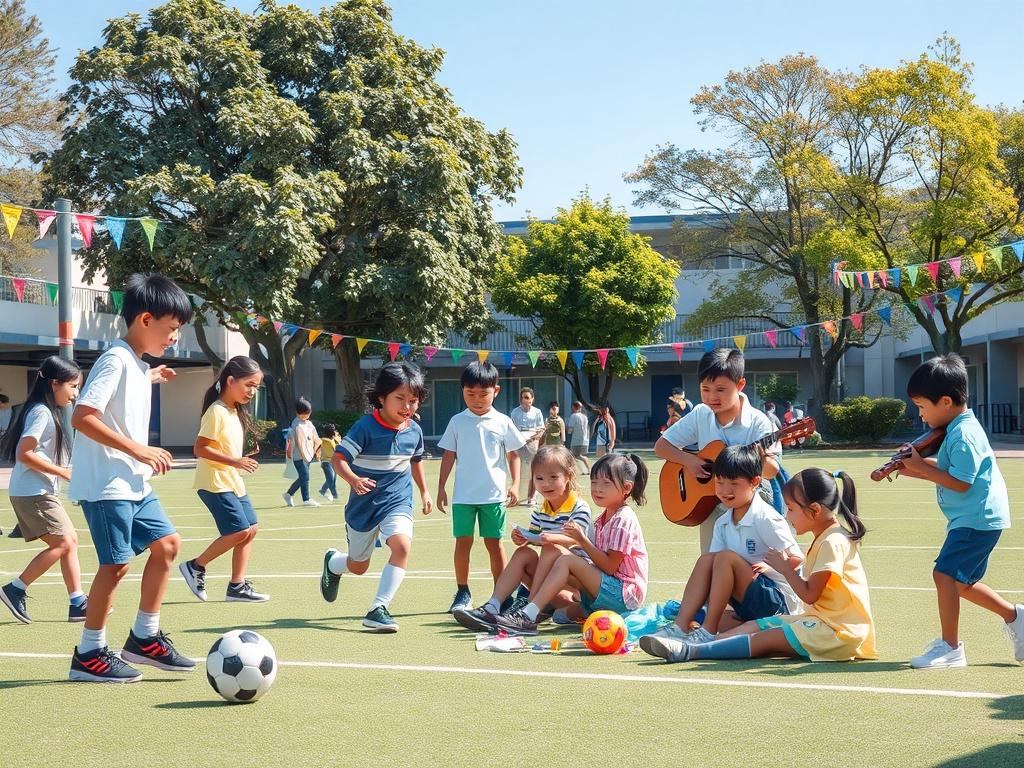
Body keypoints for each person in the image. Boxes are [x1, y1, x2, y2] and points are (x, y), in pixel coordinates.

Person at [67, 273, 196, 683]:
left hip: (133, 483)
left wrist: (151, 376)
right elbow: (83, 416)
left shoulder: (135, 363)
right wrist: (139, 449)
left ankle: (144, 637)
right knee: (116, 565)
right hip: (108, 484)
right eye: (172, 328)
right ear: (145, 319)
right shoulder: (115, 359)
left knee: (167, 545)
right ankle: (89, 654)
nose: (175, 337)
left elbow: (125, 389)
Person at [641, 468, 876, 663]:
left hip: (837, 633)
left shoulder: (832, 541)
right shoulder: (826, 537)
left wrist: (784, 568)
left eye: (791, 509)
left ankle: (690, 651)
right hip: (819, 622)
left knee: (762, 640)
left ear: (814, 510)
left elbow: (810, 594)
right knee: (756, 625)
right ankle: (702, 638)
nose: (787, 516)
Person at [899, 353, 1024, 668]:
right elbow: (947, 470)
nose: (920, 415)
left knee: (943, 574)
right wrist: (913, 469)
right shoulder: (957, 428)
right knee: (960, 583)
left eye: (921, 407)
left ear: (944, 402)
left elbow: (961, 482)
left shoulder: (963, 434)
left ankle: (951, 648)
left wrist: (920, 468)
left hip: (976, 518)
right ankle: (1017, 617)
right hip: (976, 517)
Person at [639, 445, 803, 659]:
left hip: (778, 604)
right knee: (707, 560)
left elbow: (797, 559)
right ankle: (680, 626)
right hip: (746, 604)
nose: (725, 490)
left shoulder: (766, 518)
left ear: (755, 482)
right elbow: (712, 571)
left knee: (724, 558)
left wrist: (771, 566)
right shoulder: (723, 522)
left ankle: (707, 632)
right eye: (720, 482)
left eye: (734, 484)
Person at [320, 362, 432, 632]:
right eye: (400, 398)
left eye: (413, 400)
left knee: (402, 546)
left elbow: (415, 461)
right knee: (359, 566)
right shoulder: (365, 427)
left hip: (397, 500)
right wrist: (354, 480)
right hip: (364, 506)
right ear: (381, 397)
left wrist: (424, 491)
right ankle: (333, 564)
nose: (407, 406)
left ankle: (378, 609)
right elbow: (338, 459)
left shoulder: (414, 431)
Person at [494, 453, 649, 635]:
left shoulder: (623, 519)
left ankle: (529, 614)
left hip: (623, 596)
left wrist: (581, 540)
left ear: (627, 488)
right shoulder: (603, 519)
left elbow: (609, 567)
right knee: (559, 613)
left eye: (606, 483)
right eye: (594, 482)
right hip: (604, 590)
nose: (597, 489)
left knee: (566, 560)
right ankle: (514, 607)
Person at [452, 445, 593, 631]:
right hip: (551, 588)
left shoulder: (579, 507)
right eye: (539, 478)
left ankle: (528, 614)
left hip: (577, 590)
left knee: (551, 547)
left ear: (568, 476)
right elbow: (535, 537)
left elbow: (576, 539)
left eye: (553, 477)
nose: (546, 484)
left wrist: (549, 538)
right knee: (523, 553)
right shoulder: (541, 510)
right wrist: (523, 537)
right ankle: (492, 607)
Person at [655, 348, 781, 552]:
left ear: (740, 385)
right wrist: (689, 461)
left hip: (751, 504)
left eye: (721, 390)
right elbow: (662, 446)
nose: (712, 397)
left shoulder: (759, 423)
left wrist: (759, 458)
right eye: (705, 389)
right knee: (711, 561)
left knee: (749, 563)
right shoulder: (701, 414)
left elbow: (772, 471)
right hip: (711, 504)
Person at [0, 356, 88, 624]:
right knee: (63, 543)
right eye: (73, 386)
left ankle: (78, 602)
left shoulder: (46, 411)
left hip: (37, 491)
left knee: (69, 540)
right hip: (33, 493)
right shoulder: (41, 412)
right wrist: (63, 472)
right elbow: (24, 453)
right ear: (54, 384)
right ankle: (15, 589)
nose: (75, 394)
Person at [179, 356, 269, 605]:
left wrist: (241, 456)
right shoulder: (216, 411)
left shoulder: (234, 411)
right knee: (238, 530)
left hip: (231, 481)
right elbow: (200, 448)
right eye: (249, 385)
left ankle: (237, 587)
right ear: (230, 381)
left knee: (251, 529)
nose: (252, 392)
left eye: (256, 387)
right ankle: (195, 566)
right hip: (214, 482)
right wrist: (235, 461)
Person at [437, 361, 525, 613]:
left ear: (495, 391)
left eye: (483, 394)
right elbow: (448, 455)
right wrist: (441, 487)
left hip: (493, 496)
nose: (477, 399)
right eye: (470, 393)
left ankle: (502, 594)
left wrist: (515, 485)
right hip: (463, 497)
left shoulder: (502, 421)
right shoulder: (457, 421)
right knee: (463, 543)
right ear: (462, 391)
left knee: (494, 544)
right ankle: (462, 591)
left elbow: (514, 455)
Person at [510, 387, 545, 507]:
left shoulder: (537, 412)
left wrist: (534, 438)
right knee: (518, 471)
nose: (526, 400)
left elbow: (541, 429)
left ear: (532, 399)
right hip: (519, 443)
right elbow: (512, 429)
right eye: (524, 397)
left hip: (533, 443)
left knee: (533, 471)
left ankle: (532, 496)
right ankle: (516, 496)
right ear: (521, 399)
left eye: (528, 397)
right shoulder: (515, 412)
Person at [283, 396, 320, 507]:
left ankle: (288, 494)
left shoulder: (309, 424)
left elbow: (315, 438)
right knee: (305, 476)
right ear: (297, 413)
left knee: (303, 477)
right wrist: (290, 453)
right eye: (301, 414)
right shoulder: (296, 424)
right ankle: (306, 499)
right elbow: (294, 441)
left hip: (307, 455)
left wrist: (315, 450)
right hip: (298, 456)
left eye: (307, 413)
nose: (304, 416)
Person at [566, 401, 591, 474]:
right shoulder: (585, 417)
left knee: (573, 456)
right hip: (585, 440)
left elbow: (570, 430)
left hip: (576, 440)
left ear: (573, 407)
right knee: (578, 456)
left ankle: (585, 470)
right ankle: (585, 470)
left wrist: (565, 428)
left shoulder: (574, 416)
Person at [318, 424, 341, 502]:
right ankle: (323, 491)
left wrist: (337, 440)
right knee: (330, 479)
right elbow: (336, 450)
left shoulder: (333, 440)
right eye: (335, 430)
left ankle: (335, 496)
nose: (336, 432)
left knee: (333, 481)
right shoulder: (325, 441)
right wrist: (337, 440)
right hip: (326, 462)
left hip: (334, 462)